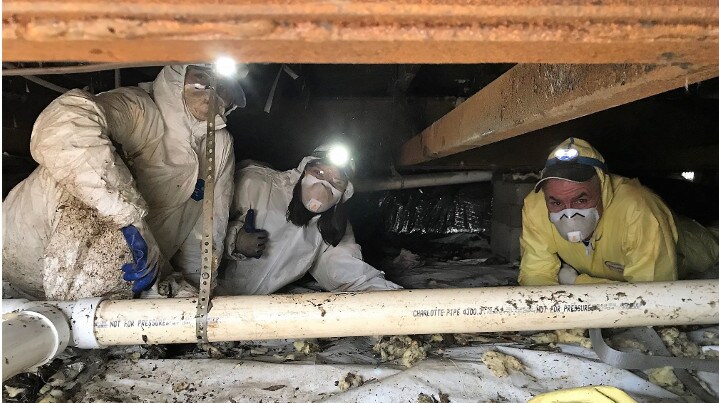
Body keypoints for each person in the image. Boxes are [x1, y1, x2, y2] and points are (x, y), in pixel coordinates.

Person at [2, 65, 242, 299]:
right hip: (26, 253)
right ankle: (79, 319)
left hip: (132, 272)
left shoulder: (219, 146)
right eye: (202, 78)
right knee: (92, 187)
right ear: (178, 76)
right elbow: (66, 125)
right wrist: (126, 218)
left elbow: (207, 225)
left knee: (184, 300)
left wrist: (199, 287)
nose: (212, 88)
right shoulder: (138, 108)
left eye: (222, 84)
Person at [518, 137, 719, 286]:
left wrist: (576, 281)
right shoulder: (536, 206)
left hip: (697, 246)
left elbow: (651, 295)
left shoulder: (637, 210)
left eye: (581, 199)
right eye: (556, 203)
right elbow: (535, 274)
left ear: (603, 185)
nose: (569, 214)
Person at [218, 145, 402, 295]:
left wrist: (396, 300)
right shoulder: (257, 185)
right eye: (319, 173)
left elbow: (348, 274)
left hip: (249, 311)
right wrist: (234, 240)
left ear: (344, 193)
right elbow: (196, 227)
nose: (324, 185)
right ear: (303, 170)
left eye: (337, 182)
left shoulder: (331, 229)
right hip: (204, 297)